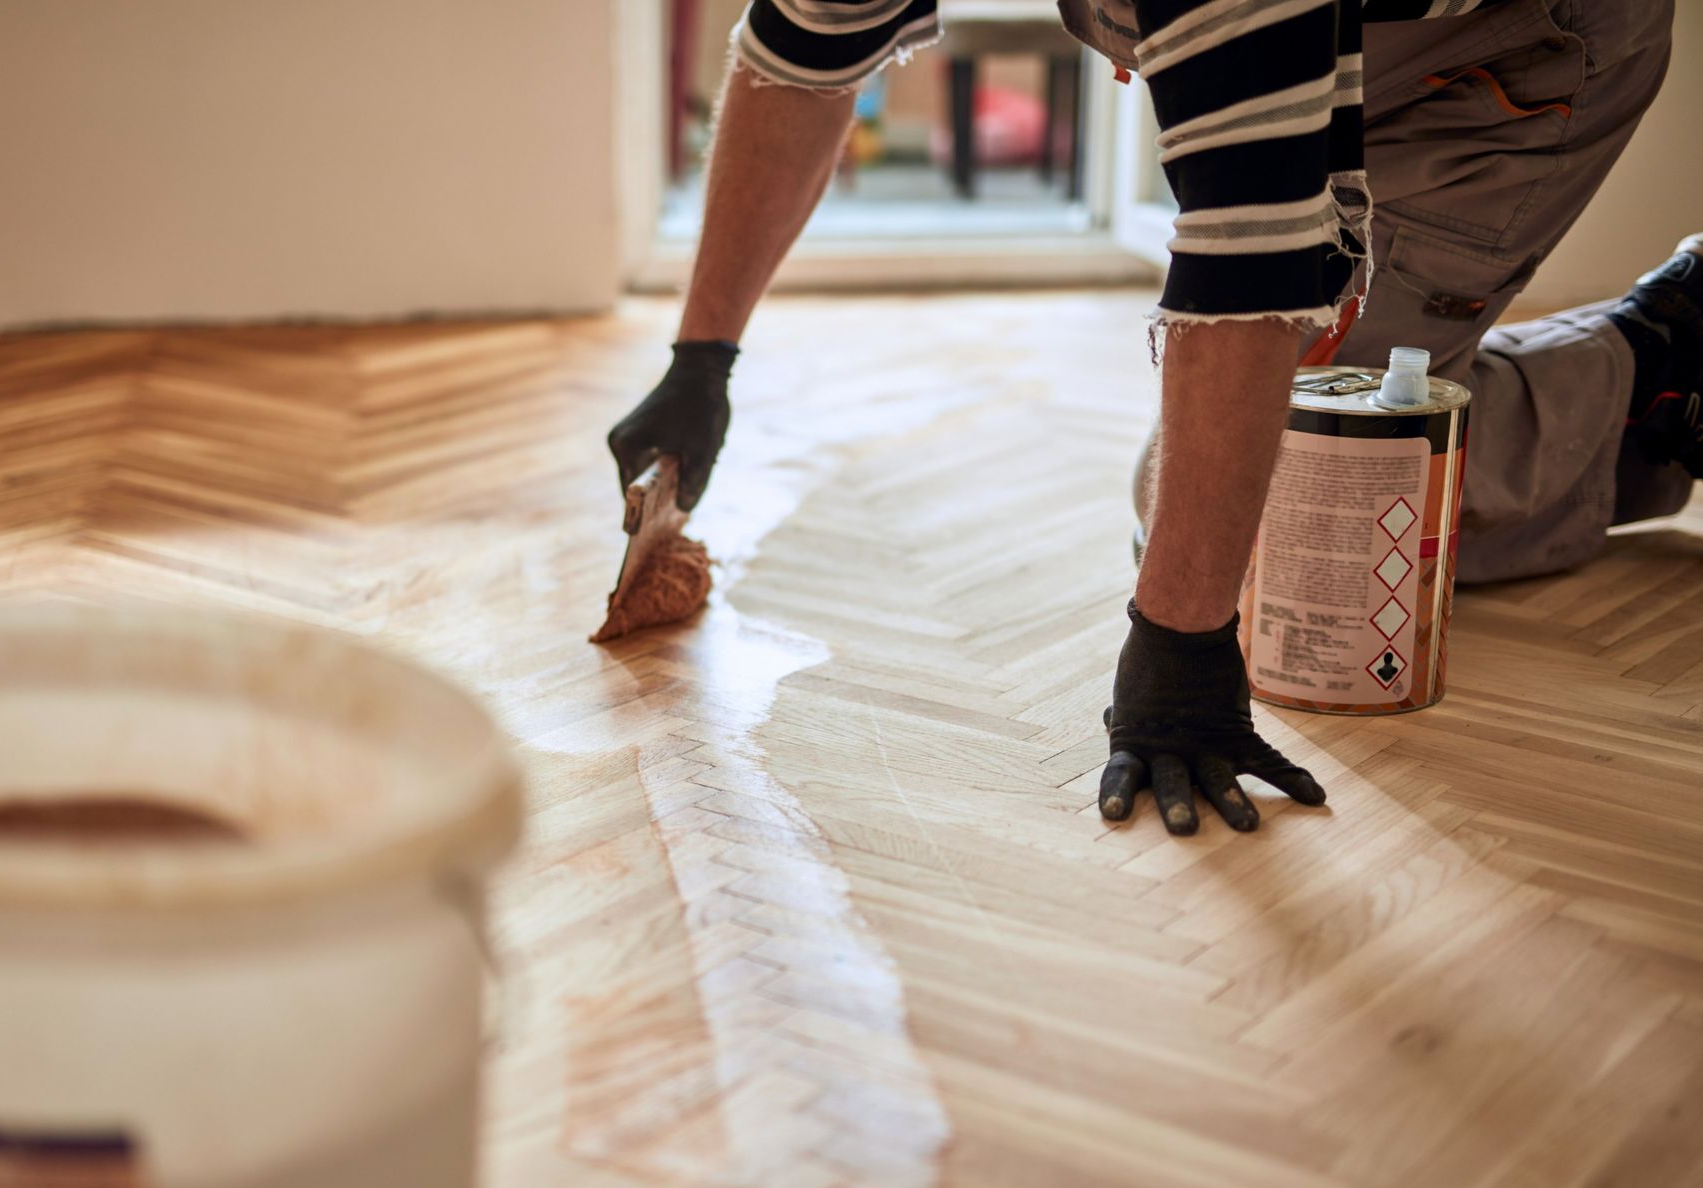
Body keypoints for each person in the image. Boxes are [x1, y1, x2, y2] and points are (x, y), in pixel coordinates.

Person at [606, 0, 1697, 837]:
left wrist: (1180, 645)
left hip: (1511, 51)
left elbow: (1253, 257)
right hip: (1359, 36)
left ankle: (1665, 362)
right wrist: (702, 356)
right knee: (1234, 506)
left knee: (1272, 524)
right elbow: (798, 63)